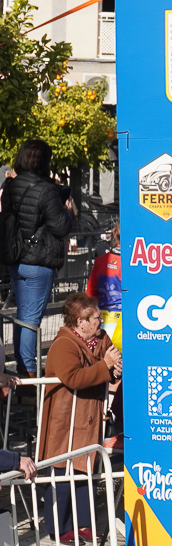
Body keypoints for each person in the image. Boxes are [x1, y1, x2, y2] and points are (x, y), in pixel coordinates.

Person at [42, 293, 121, 543]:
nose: (100, 321)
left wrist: (116, 370)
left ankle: (84, 523)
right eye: (95, 318)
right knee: (63, 473)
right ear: (80, 321)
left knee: (86, 471)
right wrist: (106, 366)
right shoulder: (63, 345)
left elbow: (112, 364)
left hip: (89, 417)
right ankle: (60, 527)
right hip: (66, 420)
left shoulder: (100, 338)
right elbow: (73, 377)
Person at [3, 139, 74, 376]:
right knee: (31, 319)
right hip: (39, 261)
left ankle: (23, 369)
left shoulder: (11, 186)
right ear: (44, 162)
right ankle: (29, 373)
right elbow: (61, 227)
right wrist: (67, 210)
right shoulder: (47, 190)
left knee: (23, 315)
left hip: (17, 258)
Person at [86, 222, 122, 352]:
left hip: (101, 320)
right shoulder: (133, 263)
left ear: (114, 234)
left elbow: (90, 293)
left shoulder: (100, 261)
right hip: (124, 323)